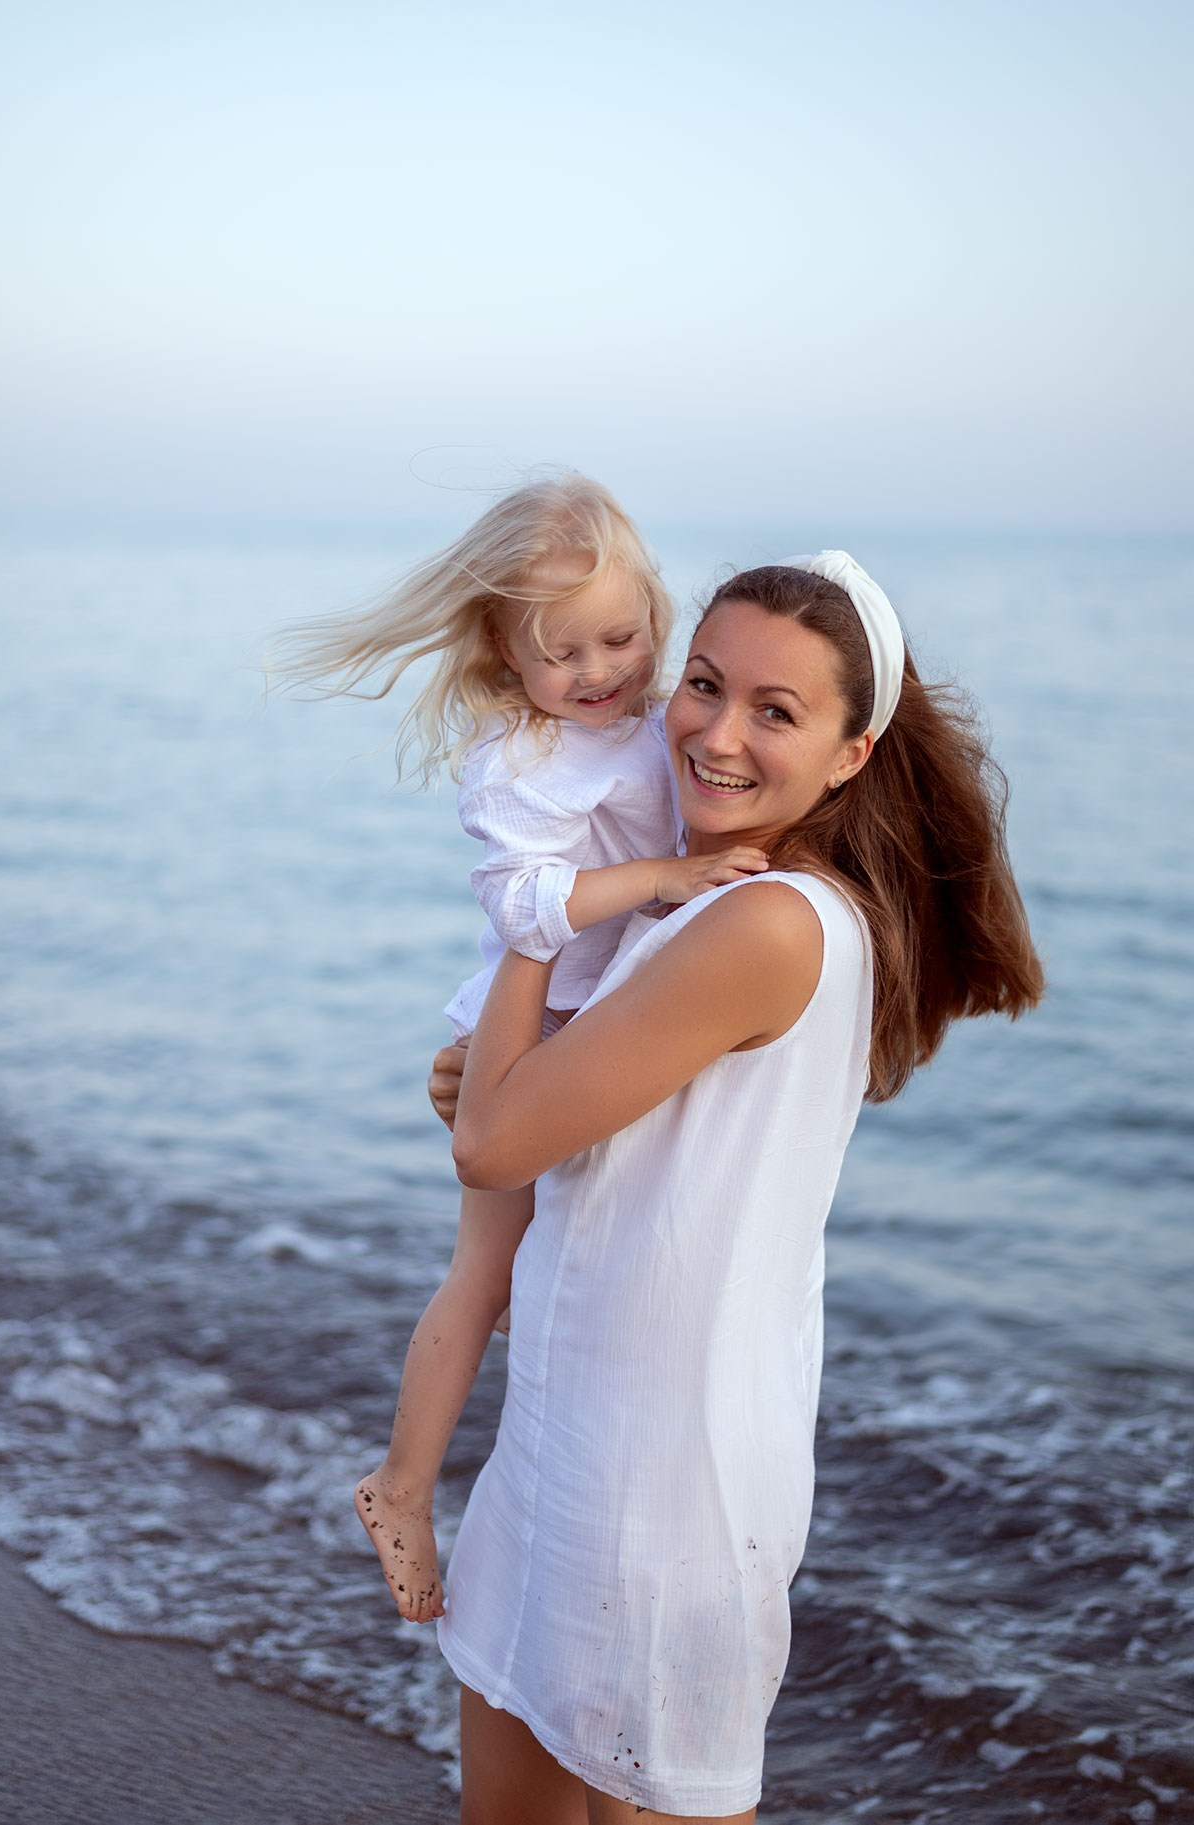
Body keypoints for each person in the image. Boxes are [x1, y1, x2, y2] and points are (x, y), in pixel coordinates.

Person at [427, 552, 1045, 1825]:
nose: (714, 733)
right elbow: (545, 1143)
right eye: (702, 684)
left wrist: (531, 907)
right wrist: (511, 1071)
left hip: (669, 1479)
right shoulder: (706, 899)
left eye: (777, 710)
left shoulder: (766, 922)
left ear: (852, 752)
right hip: (567, 1421)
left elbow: (491, 1144)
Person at [272, 475, 769, 1624]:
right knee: (483, 1271)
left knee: (558, 1279)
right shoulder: (524, 759)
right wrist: (663, 879)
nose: (600, 669)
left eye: (623, 636)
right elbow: (520, 906)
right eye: (564, 654)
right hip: (536, 1027)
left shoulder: (651, 726)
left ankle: (533, 1493)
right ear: (506, 658)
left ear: (658, 611)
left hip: (612, 1023)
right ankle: (400, 1484)